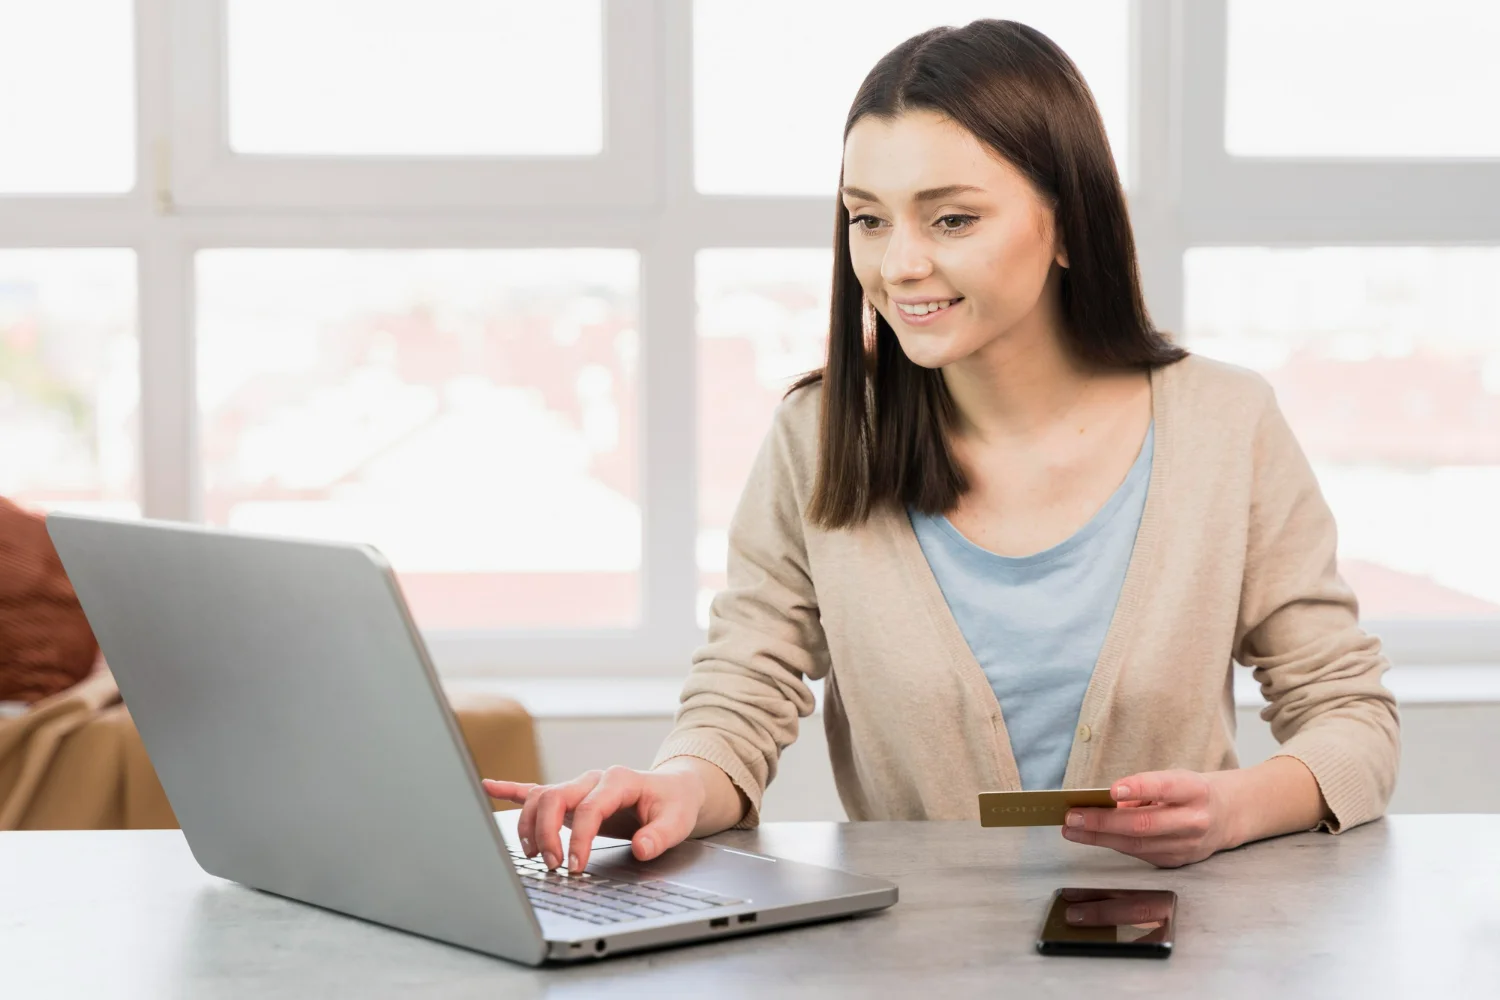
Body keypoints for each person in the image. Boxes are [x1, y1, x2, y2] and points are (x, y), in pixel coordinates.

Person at [484, 20, 1399, 873]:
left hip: (1179, 953)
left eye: (951, 218)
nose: (898, 265)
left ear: (1071, 225)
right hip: (913, 961)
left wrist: (1237, 808)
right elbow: (743, 688)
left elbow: (1350, 718)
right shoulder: (820, 436)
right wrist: (676, 781)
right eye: (868, 218)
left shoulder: (1224, 426)